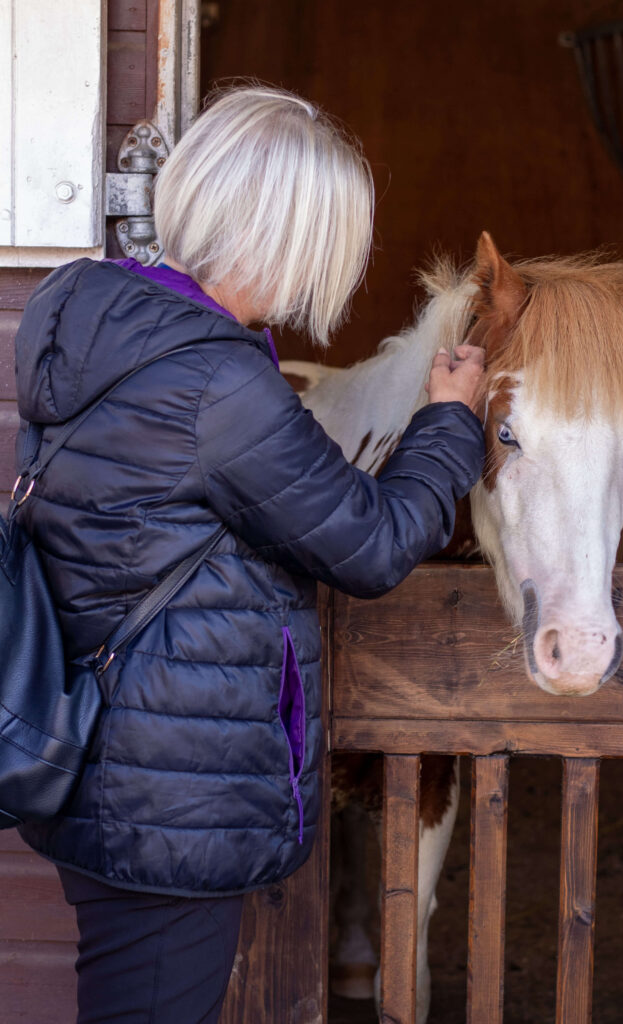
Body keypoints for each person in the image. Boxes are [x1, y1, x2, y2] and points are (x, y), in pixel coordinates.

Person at [13, 84, 485, 1023]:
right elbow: (374, 542)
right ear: (287, 236)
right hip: (165, 797)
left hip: (103, 763)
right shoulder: (220, 383)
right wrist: (449, 427)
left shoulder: (87, 311)